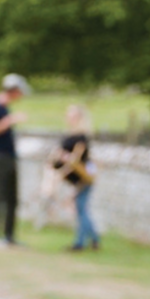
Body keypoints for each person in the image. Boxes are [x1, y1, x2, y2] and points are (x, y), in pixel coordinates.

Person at [0, 73, 30, 247]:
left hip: (10, 156)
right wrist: (10, 120)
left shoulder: (5, 107)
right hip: (0, 157)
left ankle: (9, 235)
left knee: (12, 197)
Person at [54, 104, 100, 251]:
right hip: (76, 179)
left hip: (83, 179)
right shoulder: (71, 135)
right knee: (81, 208)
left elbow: (76, 158)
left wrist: (66, 159)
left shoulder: (81, 137)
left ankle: (81, 242)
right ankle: (94, 239)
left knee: (81, 209)